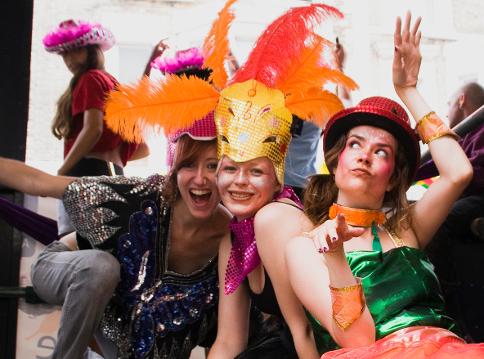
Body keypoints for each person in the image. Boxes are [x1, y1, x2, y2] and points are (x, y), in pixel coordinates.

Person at [284, 12, 484, 357]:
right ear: (335, 161)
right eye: (356, 145)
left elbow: (458, 173)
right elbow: (358, 343)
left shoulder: (406, 228)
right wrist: (335, 257)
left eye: (381, 152)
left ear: (393, 178)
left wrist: (409, 90)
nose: (364, 156)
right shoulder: (304, 247)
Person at [200, 4, 353, 358]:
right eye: (229, 168)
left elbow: (305, 333)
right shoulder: (234, 234)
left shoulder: (276, 219)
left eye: (254, 171)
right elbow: (228, 340)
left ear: (274, 177)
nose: (239, 182)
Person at [43, 19, 148, 237]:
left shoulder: (90, 79)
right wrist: (111, 158)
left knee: (75, 247)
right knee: (104, 247)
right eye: (64, 54)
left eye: (75, 51)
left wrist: (62, 171)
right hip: (115, 175)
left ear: (91, 49)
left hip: (85, 174)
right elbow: (142, 148)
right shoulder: (113, 84)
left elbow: (93, 129)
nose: (68, 59)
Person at [416, 82, 484, 340]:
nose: (446, 110)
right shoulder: (463, 137)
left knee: (443, 218)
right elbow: (433, 164)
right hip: (469, 199)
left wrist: (453, 175)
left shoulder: (480, 128)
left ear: (462, 100)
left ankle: (444, 288)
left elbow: (471, 171)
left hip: (478, 197)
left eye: (448, 102)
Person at [284, 40, 356, 199]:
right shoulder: (321, 106)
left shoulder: (270, 101)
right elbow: (347, 109)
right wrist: (339, 67)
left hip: (272, 184)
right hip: (303, 187)